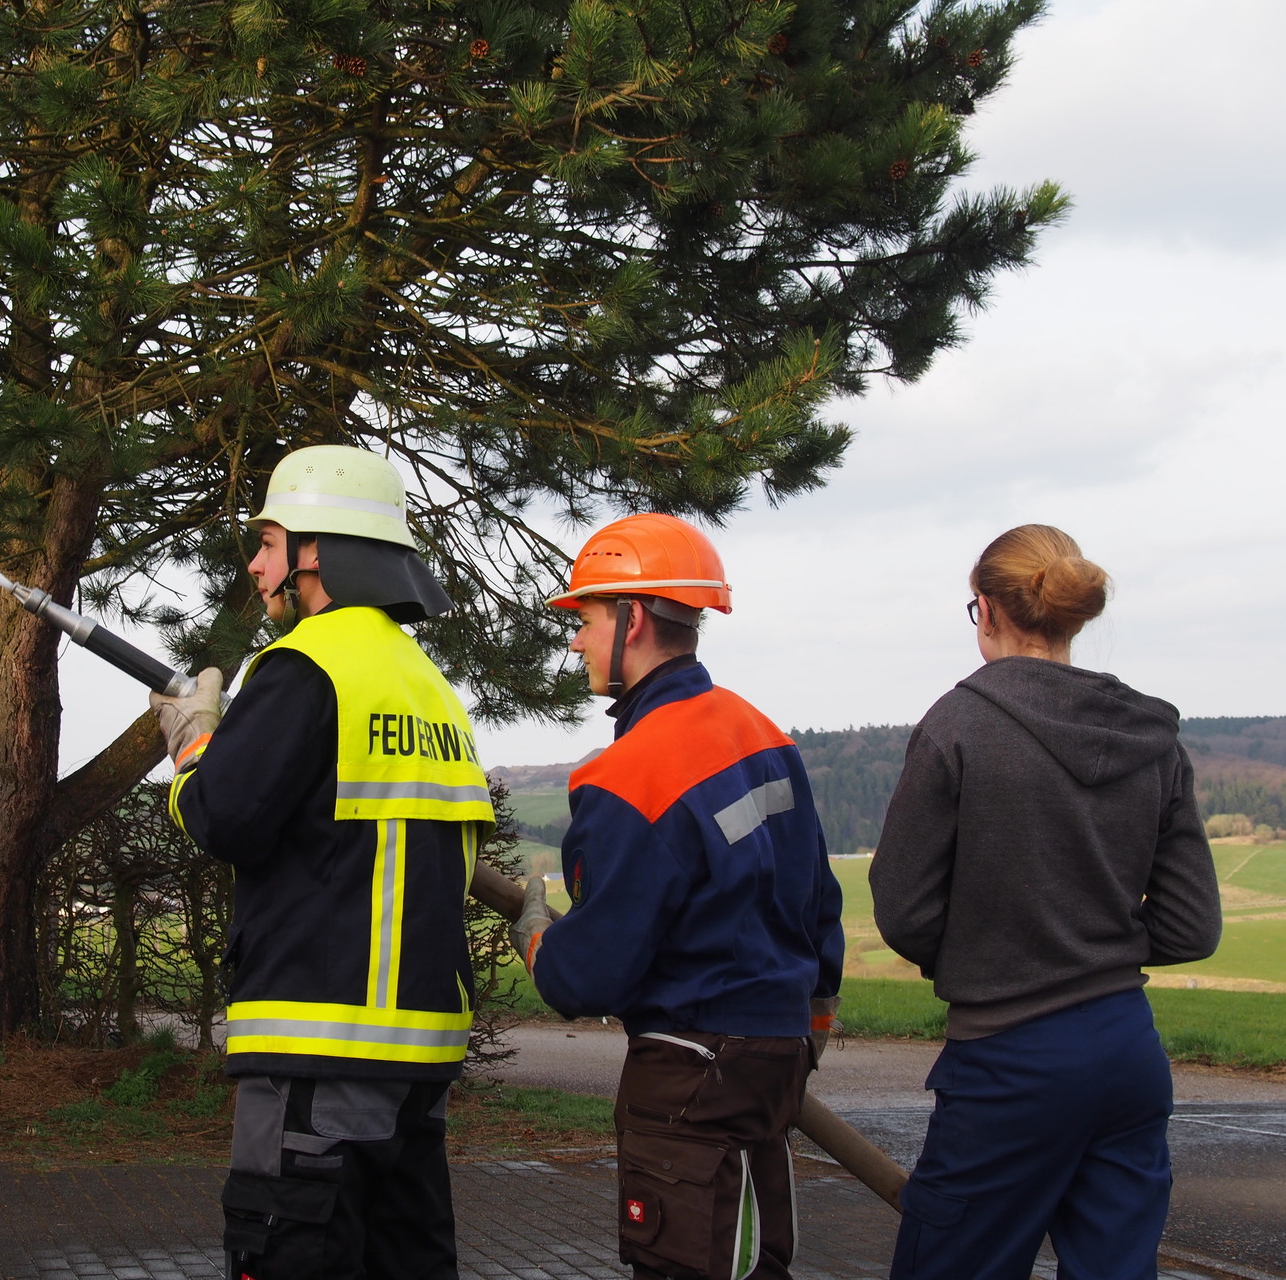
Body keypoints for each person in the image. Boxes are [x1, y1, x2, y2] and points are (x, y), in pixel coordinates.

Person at [148, 444, 494, 1280]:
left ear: (316, 551)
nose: (257, 566)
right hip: (417, 1071)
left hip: (317, 1053)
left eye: (268, 543)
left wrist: (193, 742)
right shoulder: (429, 686)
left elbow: (225, 817)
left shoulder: (305, 667)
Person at [870, 524, 1222, 1280]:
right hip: (1127, 1047)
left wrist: (994, 953)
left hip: (1008, 1057)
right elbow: (1192, 926)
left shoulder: (957, 725)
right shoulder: (1154, 738)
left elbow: (902, 909)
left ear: (989, 610)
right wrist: (1098, 949)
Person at [516, 513, 845, 1280]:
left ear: (632, 620)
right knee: (754, 1264)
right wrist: (805, 1031)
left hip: (687, 1075)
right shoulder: (762, 736)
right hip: (775, 1061)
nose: (576, 642)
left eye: (587, 619)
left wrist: (536, 937)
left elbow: (589, 975)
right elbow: (820, 905)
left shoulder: (629, 774)